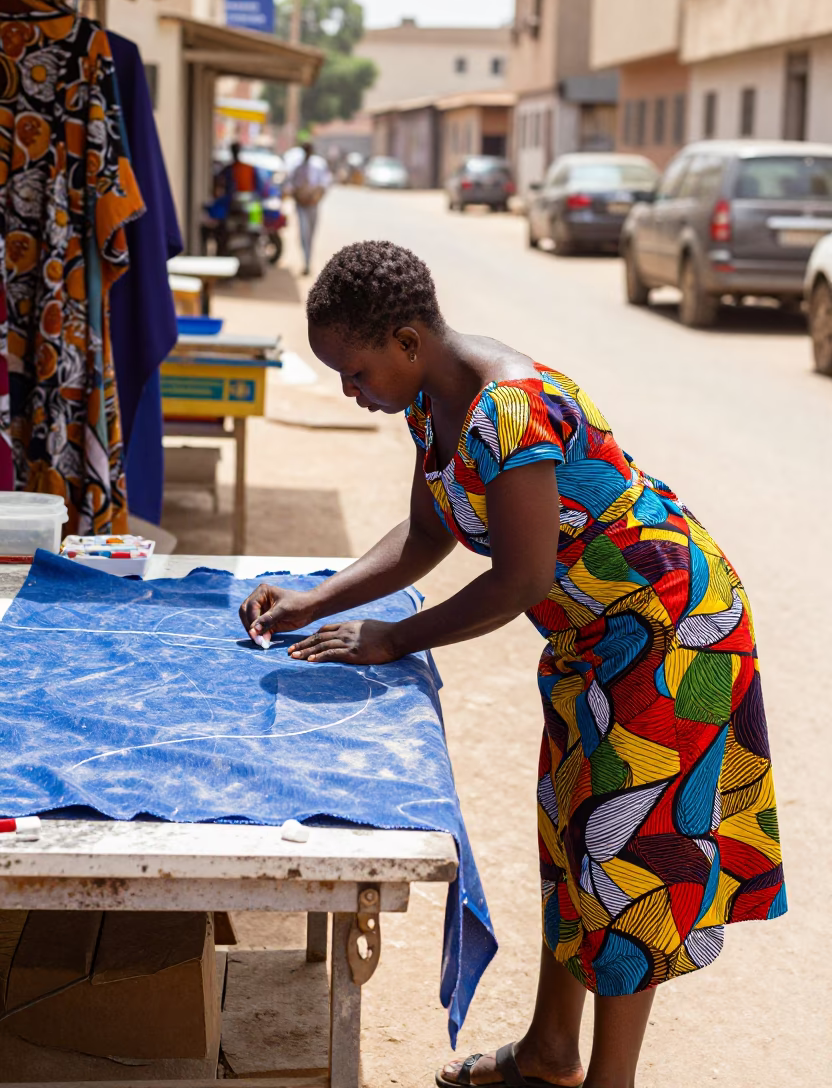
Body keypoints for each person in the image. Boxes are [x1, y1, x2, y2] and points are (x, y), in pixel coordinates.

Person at [239, 241, 786, 1088]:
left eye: (354, 372)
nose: (350, 393)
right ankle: (550, 1053)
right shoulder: (430, 405)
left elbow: (521, 577)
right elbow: (428, 535)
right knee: (571, 844)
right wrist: (320, 599)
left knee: (627, 863)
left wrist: (392, 639)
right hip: (592, 642)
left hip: (672, 635)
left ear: (410, 340)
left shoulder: (512, 411)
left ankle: (608, 1081)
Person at [286, 140, 332, 275]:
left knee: (311, 234)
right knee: (303, 233)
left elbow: (325, 184)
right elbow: (290, 185)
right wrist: (297, 195)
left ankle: (308, 259)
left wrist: (315, 197)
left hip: (313, 205)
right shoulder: (297, 167)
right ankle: (306, 262)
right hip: (301, 205)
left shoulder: (319, 165)